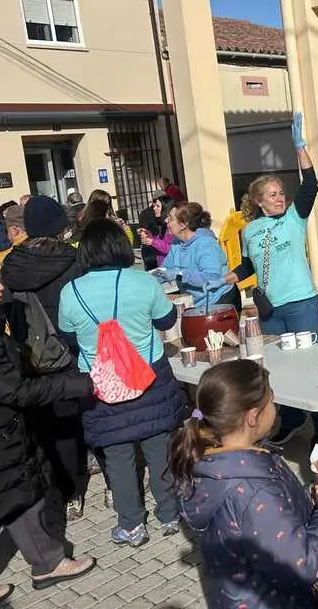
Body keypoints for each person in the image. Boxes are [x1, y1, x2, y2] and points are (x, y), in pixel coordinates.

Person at [0, 253, 96, 607]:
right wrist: (72, 385)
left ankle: (47, 561)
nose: (0, 286)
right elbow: (10, 388)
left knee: (22, 494)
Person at [169, 360, 318, 609]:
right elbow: (305, 564)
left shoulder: (217, 461)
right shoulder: (252, 489)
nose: (276, 406)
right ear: (253, 417)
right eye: (272, 400)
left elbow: (267, 519)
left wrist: (312, 499)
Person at [58, 219, 187, 548]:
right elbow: (167, 319)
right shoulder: (142, 281)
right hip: (150, 375)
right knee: (159, 447)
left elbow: (67, 338)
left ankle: (131, 526)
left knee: (117, 456)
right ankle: (170, 514)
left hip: (100, 383)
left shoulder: (70, 291)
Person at [222, 112, 318, 447]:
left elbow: (311, 186)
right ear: (257, 200)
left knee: (308, 365)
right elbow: (250, 264)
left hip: (300, 304)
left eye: (281, 191)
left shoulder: (293, 219)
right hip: (270, 310)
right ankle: (293, 420)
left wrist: (300, 147)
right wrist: (229, 276)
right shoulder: (249, 229)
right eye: (272, 194)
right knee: (277, 371)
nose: (280, 197)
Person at [0, 196, 85, 522]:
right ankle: (82, 483)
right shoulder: (72, 259)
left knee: (46, 425)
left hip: (31, 354)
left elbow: (6, 309)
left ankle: (63, 490)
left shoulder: (11, 266)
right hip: (69, 349)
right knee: (74, 419)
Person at [156, 202, 236, 309]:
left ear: (183, 224)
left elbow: (212, 278)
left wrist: (179, 274)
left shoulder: (206, 244)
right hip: (197, 303)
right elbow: (164, 270)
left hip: (220, 299)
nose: (166, 221)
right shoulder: (176, 244)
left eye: (170, 218)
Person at [137, 195, 174, 269]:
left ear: (165, 208)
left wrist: (152, 241)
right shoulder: (163, 225)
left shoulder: (172, 226)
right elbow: (160, 242)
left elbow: (171, 248)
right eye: (154, 206)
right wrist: (149, 235)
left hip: (170, 268)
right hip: (162, 266)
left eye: (157, 206)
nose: (154, 208)